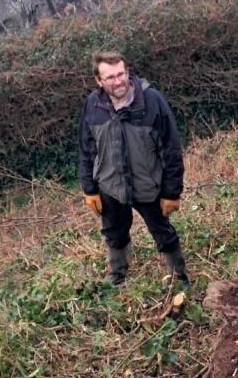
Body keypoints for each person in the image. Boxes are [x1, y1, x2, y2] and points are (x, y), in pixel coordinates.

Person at [77, 50, 188, 286]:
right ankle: (117, 274)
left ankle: (179, 277)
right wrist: (89, 188)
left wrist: (171, 192)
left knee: (163, 233)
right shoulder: (93, 105)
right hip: (109, 185)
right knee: (114, 233)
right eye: (110, 78)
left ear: (128, 72)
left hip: (148, 185)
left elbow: (171, 149)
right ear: (99, 81)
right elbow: (87, 149)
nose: (118, 82)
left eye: (121, 74)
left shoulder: (151, 101)